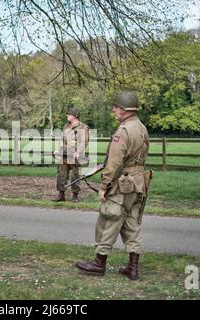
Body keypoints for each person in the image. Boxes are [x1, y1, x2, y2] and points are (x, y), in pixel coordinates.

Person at [75, 91, 149, 280]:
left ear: (125, 110)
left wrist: (104, 186)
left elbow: (114, 162)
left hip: (123, 183)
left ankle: (99, 264)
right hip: (139, 183)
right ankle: (133, 267)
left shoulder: (123, 131)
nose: (114, 109)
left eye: (116, 107)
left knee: (109, 218)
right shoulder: (141, 127)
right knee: (132, 223)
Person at [53, 107, 90, 203]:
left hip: (75, 157)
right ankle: (61, 195)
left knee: (75, 176)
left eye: (69, 114)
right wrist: (57, 150)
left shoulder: (83, 127)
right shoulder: (66, 126)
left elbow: (83, 142)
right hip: (64, 155)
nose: (67, 116)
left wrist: (78, 152)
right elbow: (61, 139)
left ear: (75, 116)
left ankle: (75, 196)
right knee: (61, 175)